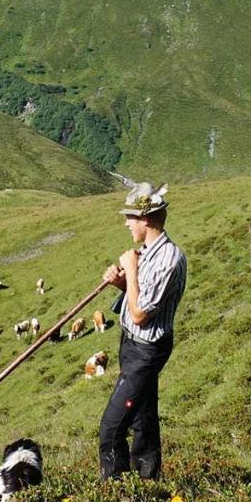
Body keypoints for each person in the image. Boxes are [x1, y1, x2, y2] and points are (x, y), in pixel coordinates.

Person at [97, 180, 187, 480]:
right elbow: (140, 298)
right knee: (143, 418)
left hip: (145, 351)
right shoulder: (147, 251)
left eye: (130, 217)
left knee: (111, 428)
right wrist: (120, 282)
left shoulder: (168, 259)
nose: (126, 223)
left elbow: (139, 315)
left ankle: (115, 493)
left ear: (146, 219)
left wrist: (131, 271)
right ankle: (149, 482)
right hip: (131, 345)